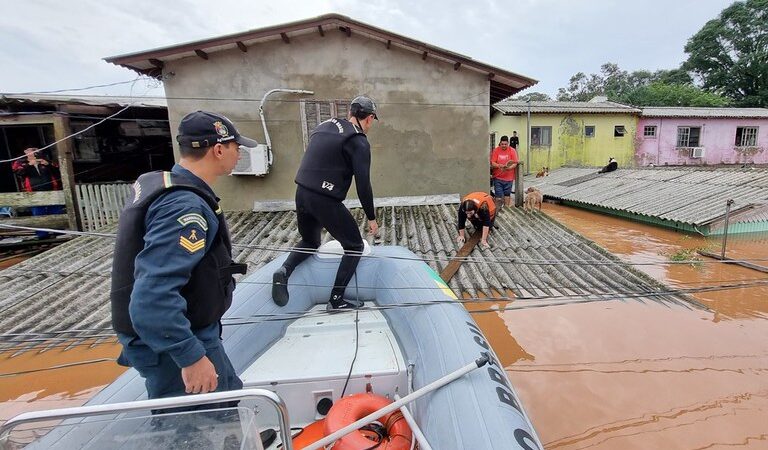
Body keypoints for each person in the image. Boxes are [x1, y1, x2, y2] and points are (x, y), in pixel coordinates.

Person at [110, 111, 252, 413]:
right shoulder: (183, 206)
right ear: (218, 149)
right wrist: (189, 356)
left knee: (228, 398)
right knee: (202, 425)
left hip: (184, 333)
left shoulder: (167, 186)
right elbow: (151, 297)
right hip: (176, 343)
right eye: (236, 147)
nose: (239, 153)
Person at [272, 96, 379, 311]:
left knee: (310, 241)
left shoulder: (326, 125)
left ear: (350, 113)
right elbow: (363, 185)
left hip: (301, 192)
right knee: (354, 245)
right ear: (368, 118)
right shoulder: (358, 141)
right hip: (324, 198)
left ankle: (284, 271)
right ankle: (336, 299)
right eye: (372, 121)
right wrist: (371, 217)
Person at [12, 148, 64, 239]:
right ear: (25, 153)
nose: (33, 153)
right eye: (30, 151)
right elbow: (18, 173)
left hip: (50, 189)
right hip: (33, 191)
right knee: (38, 212)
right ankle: (42, 234)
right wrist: (29, 165)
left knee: (55, 210)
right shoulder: (20, 162)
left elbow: (58, 170)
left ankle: (58, 231)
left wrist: (48, 164)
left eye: (34, 151)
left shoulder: (44, 160)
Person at [490, 135, 519, 209]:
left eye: (505, 144)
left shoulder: (512, 150)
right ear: (500, 143)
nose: (504, 145)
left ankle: (507, 209)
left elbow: (515, 163)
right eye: (502, 144)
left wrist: (509, 168)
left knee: (507, 195)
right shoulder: (496, 150)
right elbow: (493, 162)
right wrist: (499, 165)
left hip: (509, 178)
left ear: (508, 143)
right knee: (498, 195)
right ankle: (498, 209)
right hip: (498, 177)